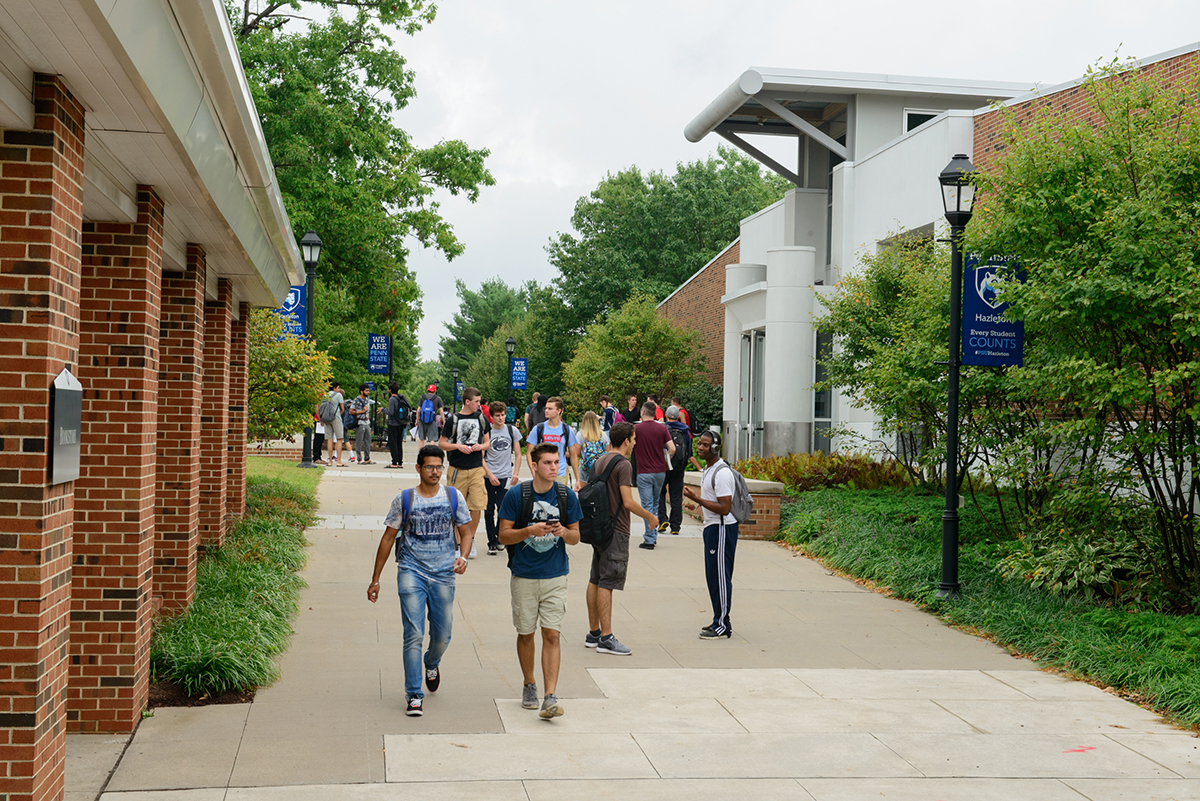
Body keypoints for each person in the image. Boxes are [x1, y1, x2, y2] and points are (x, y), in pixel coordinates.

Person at [367, 444, 473, 716]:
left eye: (439, 467)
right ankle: (414, 694)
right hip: (411, 571)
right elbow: (388, 538)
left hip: (444, 573)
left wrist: (463, 556)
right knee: (413, 633)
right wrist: (375, 579)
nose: (435, 472)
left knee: (443, 634)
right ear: (418, 468)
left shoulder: (454, 496)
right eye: (429, 467)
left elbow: (466, 531)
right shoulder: (404, 499)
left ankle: (432, 661)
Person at [498, 443, 583, 719]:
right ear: (534, 466)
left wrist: (562, 532)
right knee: (525, 633)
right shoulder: (516, 495)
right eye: (547, 463)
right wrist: (529, 531)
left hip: (555, 574)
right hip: (524, 574)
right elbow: (503, 536)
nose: (554, 467)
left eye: (557, 462)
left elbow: (576, 537)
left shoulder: (566, 496)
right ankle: (528, 684)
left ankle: (550, 696)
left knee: (552, 633)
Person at [584, 422, 657, 656]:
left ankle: (593, 633)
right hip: (616, 529)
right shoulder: (623, 464)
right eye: (634, 440)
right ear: (626, 440)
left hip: (599, 528)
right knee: (608, 581)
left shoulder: (600, 460)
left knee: (595, 578)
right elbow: (627, 501)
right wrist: (649, 517)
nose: (635, 444)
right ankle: (606, 637)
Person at [682, 430, 737, 639]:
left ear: (715, 448)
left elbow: (724, 508)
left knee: (721, 577)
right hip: (712, 528)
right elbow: (713, 503)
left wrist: (696, 498)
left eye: (705, 445)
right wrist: (698, 506)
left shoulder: (722, 473)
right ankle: (718, 619)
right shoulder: (708, 469)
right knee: (712, 577)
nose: (700, 448)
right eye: (700, 444)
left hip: (722, 529)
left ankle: (722, 624)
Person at [438, 387, 491, 560]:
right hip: (457, 469)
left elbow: (487, 443)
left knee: (476, 505)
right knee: (456, 507)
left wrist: (480, 447)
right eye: (476, 401)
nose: (479, 404)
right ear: (467, 401)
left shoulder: (481, 419)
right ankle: (457, 541)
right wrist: (457, 446)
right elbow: (442, 443)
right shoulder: (453, 419)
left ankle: (471, 538)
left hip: (476, 468)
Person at [633, 401, 674, 550]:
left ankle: (649, 538)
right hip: (660, 472)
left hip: (644, 471)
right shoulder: (661, 428)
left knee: (647, 505)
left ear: (642, 412)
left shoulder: (636, 428)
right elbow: (672, 448)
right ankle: (653, 534)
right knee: (655, 503)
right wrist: (665, 457)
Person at [483, 401, 521, 556]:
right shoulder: (488, 433)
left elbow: (518, 454)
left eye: (503, 415)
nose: (501, 418)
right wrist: (489, 474)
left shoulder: (512, 431)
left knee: (502, 508)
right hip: (489, 475)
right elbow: (481, 457)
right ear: (491, 417)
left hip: (505, 474)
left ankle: (499, 538)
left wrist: (516, 473)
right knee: (488, 509)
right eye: (497, 416)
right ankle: (491, 541)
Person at [659, 405, 702, 536]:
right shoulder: (685, 431)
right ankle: (675, 526)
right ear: (678, 417)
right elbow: (689, 452)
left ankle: (662, 520)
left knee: (660, 492)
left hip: (664, 465)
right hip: (678, 467)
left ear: (666, 416)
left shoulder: (663, 428)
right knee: (676, 496)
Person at [525, 396, 580, 487]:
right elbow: (529, 453)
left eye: (550, 409)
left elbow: (573, 456)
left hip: (560, 473)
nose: (546, 411)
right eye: (546, 408)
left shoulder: (566, 429)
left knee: (559, 500)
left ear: (559, 411)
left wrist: (577, 479)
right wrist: (534, 472)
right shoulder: (539, 429)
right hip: (542, 473)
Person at [576, 410, 609, 486]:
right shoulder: (602, 435)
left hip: (584, 469)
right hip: (599, 469)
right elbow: (608, 453)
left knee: (584, 494)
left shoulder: (580, 435)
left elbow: (576, 453)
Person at [319, 382, 346, 466]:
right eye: (338, 388)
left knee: (329, 439)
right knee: (339, 439)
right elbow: (342, 408)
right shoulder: (338, 395)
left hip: (326, 419)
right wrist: (338, 414)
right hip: (336, 418)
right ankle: (338, 461)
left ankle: (330, 461)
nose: (338, 390)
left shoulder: (324, 396)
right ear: (334, 388)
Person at [386, 383, 411, 469]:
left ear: (390, 390)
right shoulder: (400, 398)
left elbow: (391, 413)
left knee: (393, 443)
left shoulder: (392, 399)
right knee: (399, 443)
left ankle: (394, 462)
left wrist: (383, 410)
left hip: (393, 423)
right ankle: (400, 462)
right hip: (400, 423)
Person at [349, 383, 375, 464]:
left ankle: (367, 458)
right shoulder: (356, 400)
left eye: (368, 391)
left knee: (368, 440)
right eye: (366, 391)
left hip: (367, 422)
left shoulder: (367, 399)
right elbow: (351, 411)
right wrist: (361, 411)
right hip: (360, 422)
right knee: (359, 441)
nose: (368, 392)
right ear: (361, 391)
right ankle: (359, 458)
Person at [416, 384, 444, 452]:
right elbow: (441, 411)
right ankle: (431, 455)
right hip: (432, 420)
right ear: (435, 390)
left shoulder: (422, 397)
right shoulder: (437, 398)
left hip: (422, 420)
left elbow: (418, 410)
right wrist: (443, 420)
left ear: (427, 390)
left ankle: (421, 454)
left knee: (422, 439)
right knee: (432, 439)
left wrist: (417, 420)